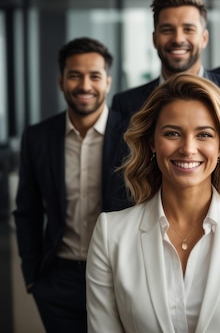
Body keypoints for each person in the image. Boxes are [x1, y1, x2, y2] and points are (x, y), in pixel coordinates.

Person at [86, 73, 220, 333]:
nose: (188, 148)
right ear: (152, 142)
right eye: (172, 133)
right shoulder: (111, 234)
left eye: (204, 135)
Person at [13, 37, 133, 332]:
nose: (84, 85)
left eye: (94, 76)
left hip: (118, 275)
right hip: (58, 278)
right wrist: (32, 275)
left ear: (107, 81)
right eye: (74, 75)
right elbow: (26, 210)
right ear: (60, 81)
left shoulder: (133, 134)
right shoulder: (38, 137)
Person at [112, 0, 220, 120]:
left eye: (188, 29)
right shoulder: (125, 104)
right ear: (154, 39)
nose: (178, 39)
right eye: (167, 30)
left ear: (204, 38)